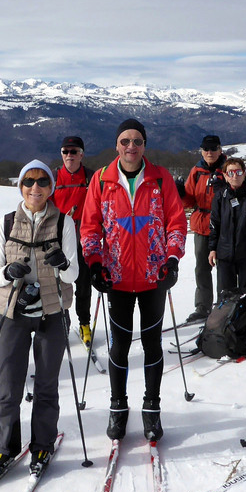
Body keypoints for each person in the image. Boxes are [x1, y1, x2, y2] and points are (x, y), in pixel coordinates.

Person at [80, 118, 187, 442]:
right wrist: (94, 263)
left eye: (137, 141)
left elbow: (176, 222)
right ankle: (118, 406)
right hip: (117, 278)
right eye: (125, 141)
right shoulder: (101, 180)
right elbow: (90, 227)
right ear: (116, 145)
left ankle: (151, 407)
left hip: (155, 277)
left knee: (153, 344)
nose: (131, 146)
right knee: (120, 346)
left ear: (144, 145)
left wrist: (172, 259)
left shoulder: (160, 178)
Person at [0, 160, 79, 475]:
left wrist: (62, 263)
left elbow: (73, 274)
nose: (35, 187)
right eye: (28, 181)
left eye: (42, 181)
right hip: (13, 311)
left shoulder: (64, 223)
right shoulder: (6, 222)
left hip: (52, 312)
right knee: (8, 387)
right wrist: (7, 272)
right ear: (21, 186)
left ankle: (42, 446)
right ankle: (5, 449)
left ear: (51, 187)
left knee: (46, 385)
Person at [52, 135, 95, 344]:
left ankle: (84, 323)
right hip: (59, 240)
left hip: (84, 238)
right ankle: (61, 324)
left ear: (81, 154)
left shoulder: (91, 177)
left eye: (74, 151)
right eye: (65, 151)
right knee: (59, 285)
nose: (69, 155)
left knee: (84, 285)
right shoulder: (53, 178)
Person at [181, 134, 228, 322]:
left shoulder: (228, 169)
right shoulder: (197, 171)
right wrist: (180, 193)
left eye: (213, 148)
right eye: (206, 149)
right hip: (201, 225)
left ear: (220, 150)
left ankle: (224, 305)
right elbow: (189, 200)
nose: (210, 152)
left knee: (224, 268)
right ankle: (203, 307)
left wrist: (224, 189)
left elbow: (239, 193)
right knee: (202, 268)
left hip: (224, 225)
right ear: (201, 151)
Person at [207, 157, 246, 296]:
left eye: (238, 172)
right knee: (225, 297)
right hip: (225, 255)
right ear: (225, 176)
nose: (235, 176)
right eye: (230, 173)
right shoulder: (220, 197)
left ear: (244, 174)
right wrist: (212, 249)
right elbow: (215, 224)